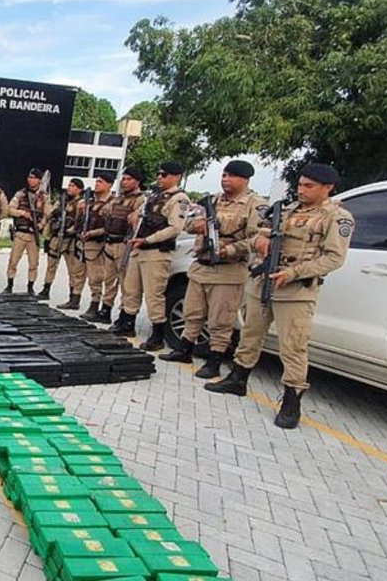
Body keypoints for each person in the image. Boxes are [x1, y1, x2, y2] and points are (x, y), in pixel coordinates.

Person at [205, 163, 353, 429]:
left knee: (293, 347)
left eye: (309, 186)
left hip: (295, 291)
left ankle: (291, 400)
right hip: (264, 282)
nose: (302, 190)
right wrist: (260, 242)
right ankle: (238, 378)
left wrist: (294, 273)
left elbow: (333, 258)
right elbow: (258, 235)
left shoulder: (337, 217)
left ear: (327, 188)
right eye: (300, 185)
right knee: (251, 332)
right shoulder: (285, 210)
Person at [160, 160, 266, 377]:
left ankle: (214, 360)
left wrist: (232, 249)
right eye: (224, 175)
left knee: (220, 320)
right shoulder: (213, 200)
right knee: (192, 311)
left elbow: (258, 238)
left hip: (228, 270)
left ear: (245, 179)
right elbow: (188, 222)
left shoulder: (255, 204)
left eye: (231, 176)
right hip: (202, 265)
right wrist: (196, 226)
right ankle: (184, 349)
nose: (225, 179)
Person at [115, 161, 190, 351]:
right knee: (131, 290)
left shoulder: (179, 199)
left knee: (154, 295)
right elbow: (139, 216)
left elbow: (175, 228)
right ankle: (127, 324)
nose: (159, 177)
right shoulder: (154, 197)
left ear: (176, 176)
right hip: (139, 249)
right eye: (158, 174)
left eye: (164, 175)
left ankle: (157, 335)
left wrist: (148, 240)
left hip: (156, 252)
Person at [95, 168, 147, 322]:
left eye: (128, 179)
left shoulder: (140, 200)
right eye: (123, 179)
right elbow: (104, 212)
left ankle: (125, 315)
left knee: (126, 283)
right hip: (111, 242)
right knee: (109, 280)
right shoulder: (118, 199)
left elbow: (138, 220)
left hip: (125, 244)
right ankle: (105, 310)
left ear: (137, 181)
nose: (125, 182)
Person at [4, 169, 52, 295]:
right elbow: (10, 209)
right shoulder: (21, 194)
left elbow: (48, 215)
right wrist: (23, 213)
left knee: (33, 263)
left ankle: (30, 287)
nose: (31, 180)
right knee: (13, 261)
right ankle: (9, 285)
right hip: (20, 232)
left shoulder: (44, 197)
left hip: (33, 234)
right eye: (30, 177)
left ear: (39, 180)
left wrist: (40, 225)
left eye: (34, 178)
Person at [76, 174, 114, 321]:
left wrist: (92, 232)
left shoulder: (111, 203)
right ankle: (93, 304)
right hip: (88, 244)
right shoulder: (89, 203)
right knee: (92, 277)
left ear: (110, 185)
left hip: (101, 244)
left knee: (98, 277)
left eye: (101, 182)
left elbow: (110, 227)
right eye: (96, 181)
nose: (97, 184)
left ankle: (98, 305)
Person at [43, 178, 85, 307]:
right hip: (58, 237)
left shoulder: (81, 203)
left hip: (71, 239)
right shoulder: (62, 200)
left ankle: (73, 297)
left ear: (80, 189)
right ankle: (46, 290)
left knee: (73, 270)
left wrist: (72, 230)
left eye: (72, 186)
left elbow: (81, 221)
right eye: (69, 185)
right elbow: (48, 214)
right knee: (51, 265)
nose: (69, 188)